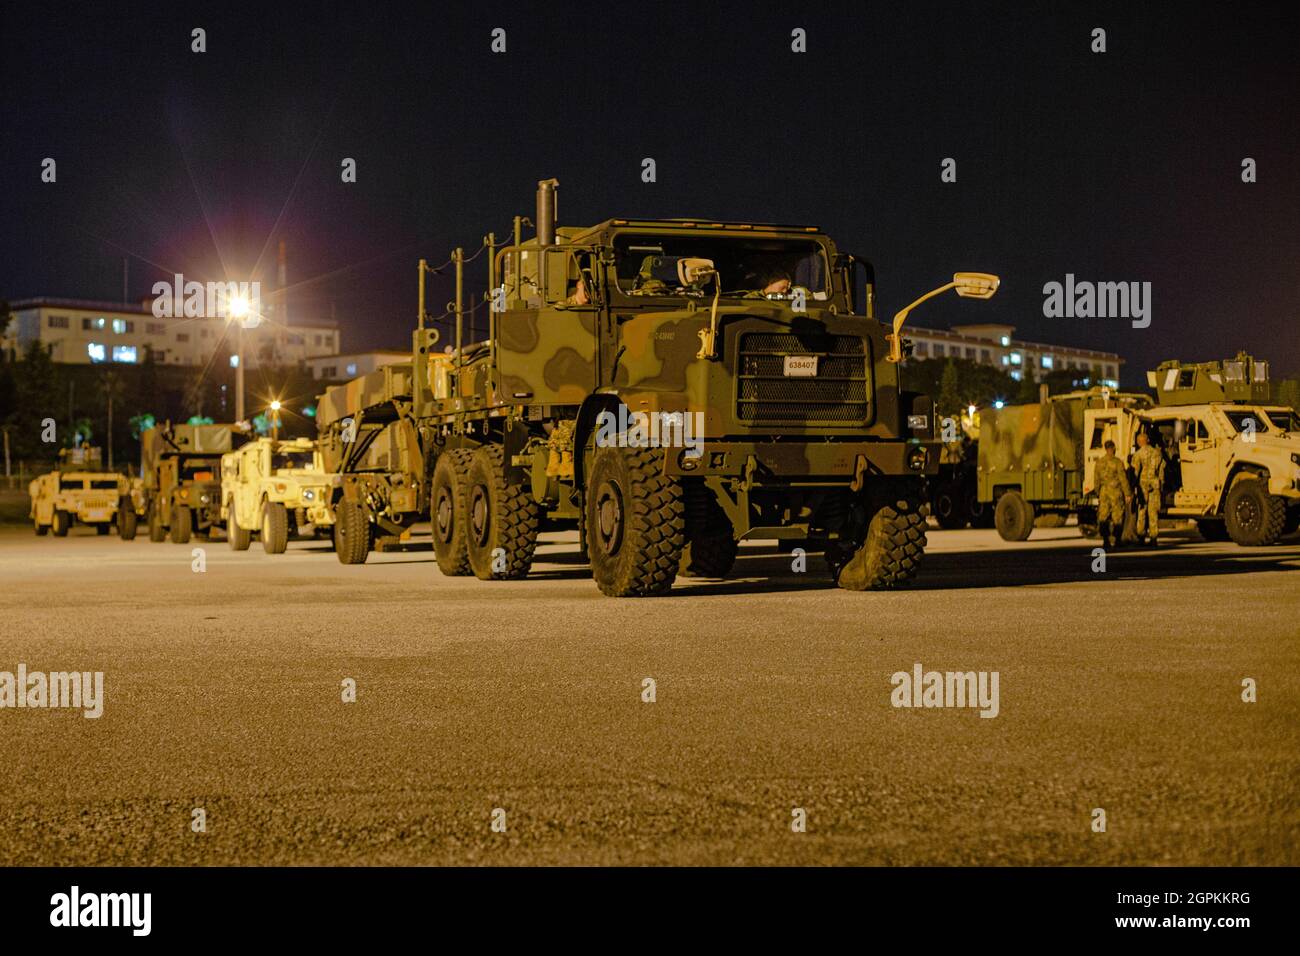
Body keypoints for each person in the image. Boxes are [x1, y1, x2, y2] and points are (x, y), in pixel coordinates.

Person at [1094, 439, 1132, 549]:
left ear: (1105, 449)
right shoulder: (1118, 462)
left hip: (1103, 492)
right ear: (1114, 448)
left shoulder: (1099, 462)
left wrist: (1098, 492)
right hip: (1116, 492)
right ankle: (1117, 540)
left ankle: (1105, 540)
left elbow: (1096, 480)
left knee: (1103, 516)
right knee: (1118, 516)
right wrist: (1127, 493)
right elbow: (1123, 479)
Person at [1131, 428, 1165, 545]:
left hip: (1143, 485)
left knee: (1142, 511)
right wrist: (1161, 485)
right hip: (1155, 484)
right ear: (1148, 440)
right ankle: (1154, 538)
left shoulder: (1138, 455)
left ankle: (1141, 537)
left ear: (1139, 442)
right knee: (1153, 512)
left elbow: (1135, 472)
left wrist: (1132, 486)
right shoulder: (1157, 453)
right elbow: (1161, 471)